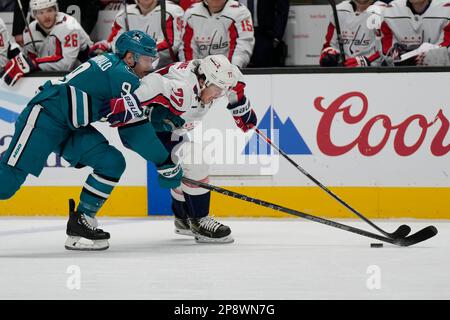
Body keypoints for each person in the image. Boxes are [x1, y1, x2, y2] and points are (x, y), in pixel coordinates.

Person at [0, 30, 160, 251]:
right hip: (45, 117)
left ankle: (81, 222)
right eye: (146, 60)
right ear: (129, 57)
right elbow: (133, 126)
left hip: (70, 125)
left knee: (111, 162)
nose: (150, 66)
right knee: (6, 185)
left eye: (152, 60)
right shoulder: (124, 75)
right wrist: (163, 160)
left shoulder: (117, 65)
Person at [108, 54, 257, 243]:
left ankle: (183, 218)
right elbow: (140, 94)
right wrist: (155, 117)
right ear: (202, 81)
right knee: (194, 159)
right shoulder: (180, 87)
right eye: (216, 90)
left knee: (185, 164)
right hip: (144, 130)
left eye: (222, 91)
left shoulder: (222, 76)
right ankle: (200, 221)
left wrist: (242, 112)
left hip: (172, 128)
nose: (218, 95)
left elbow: (235, 89)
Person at [1, 0, 93, 86]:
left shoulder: (69, 26)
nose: (46, 16)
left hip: (85, 73)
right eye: (41, 12)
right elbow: (30, 61)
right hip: (51, 78)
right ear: (34, 15)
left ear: (56, 10)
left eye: (49, 10)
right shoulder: (29, 31)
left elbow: (65, 64)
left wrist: (33, 63)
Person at [90, 0, 184, 68]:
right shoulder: (124, 13)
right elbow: (116, 42)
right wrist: (107, 46)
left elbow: (170, 45)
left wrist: (137, 50)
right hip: (130, 69)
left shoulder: (172, 11)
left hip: (164, 70)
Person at [180, 0, 255, 68]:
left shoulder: (240, 11)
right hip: (200, 70)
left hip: (229, 69)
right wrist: (192, 70)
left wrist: (233, 69)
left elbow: (243, 45)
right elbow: (186, 46)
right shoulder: (191, 12)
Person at [379, 0, 450, 66]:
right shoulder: (391, 10)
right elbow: (386, 49)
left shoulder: (447, 9)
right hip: (401, 73)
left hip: (439, 73)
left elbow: (447, 46)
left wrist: (431, 54)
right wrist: (393, 52)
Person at [320, 0, 386, 67]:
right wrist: (329, 54)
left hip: (374, 72)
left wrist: (366, 60)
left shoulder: (384, 11)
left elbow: (387, 50)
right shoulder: (339, 10)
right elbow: (328, 45)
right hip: (343, 71)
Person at [12, 0, 100, 47]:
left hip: (71, 26)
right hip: (39, 30)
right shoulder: (31, 29)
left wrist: (80, 33)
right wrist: (18, 30)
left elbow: (92, 6)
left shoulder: (71, 24)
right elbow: (20, 3)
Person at [244, 0, 290, 67]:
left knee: (263, 70)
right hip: (238, 33)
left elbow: (282, 10)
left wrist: (277, 35)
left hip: (264, 35)